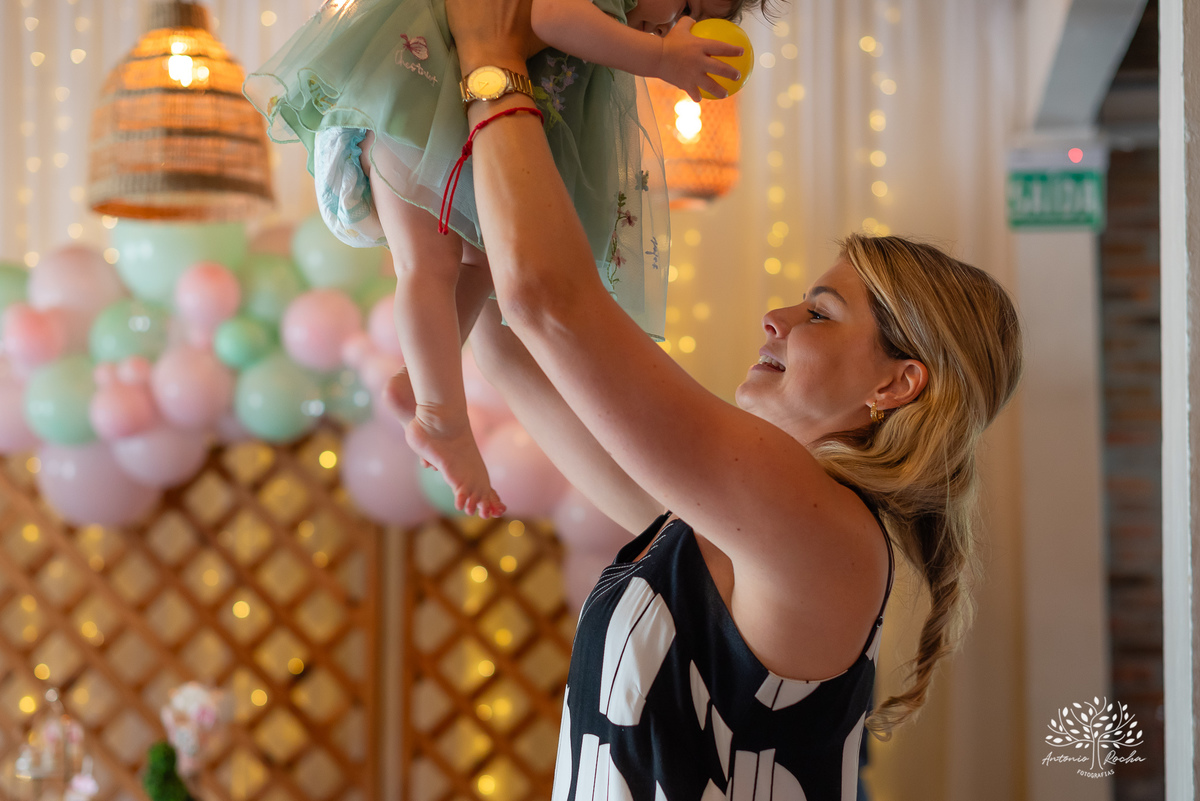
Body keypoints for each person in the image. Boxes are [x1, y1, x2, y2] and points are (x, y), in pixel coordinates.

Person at [442, 0, 1024, 796]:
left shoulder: (823, 530)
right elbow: (507, 346)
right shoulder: (718, 524)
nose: (775, 317)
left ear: (896, 383)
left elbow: (545, 302)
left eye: (820, 314)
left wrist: (490, 59)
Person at [245, 0, 748, 517]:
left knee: (482, 263)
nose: (674, 26)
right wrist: (660, 58)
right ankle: (440, 417)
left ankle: (419, 382)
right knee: (428, 263)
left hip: (444, 108)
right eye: (685, 6)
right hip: (414, 88)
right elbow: (551, 15)